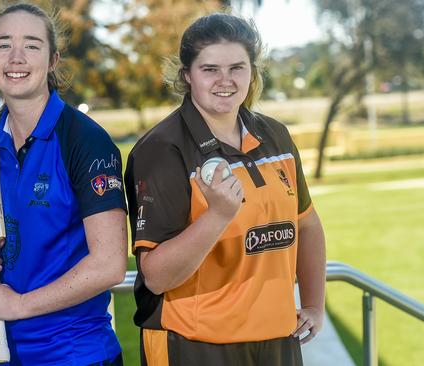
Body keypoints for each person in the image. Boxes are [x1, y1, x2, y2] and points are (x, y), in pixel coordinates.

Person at [124, 13, 326, 366]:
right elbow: (156, 277)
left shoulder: (275, 135)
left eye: (237, 68)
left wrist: (313, 303)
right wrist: (217, 216)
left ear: (252, 71)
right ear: (187, 75)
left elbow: (306, 224)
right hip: (193, 344)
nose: (225, 81)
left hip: (276, 339)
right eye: (210, 69)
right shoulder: (162, 150)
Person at [0, 3, 127, 365]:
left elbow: (109, 265)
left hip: (72, 352)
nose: (16, 57)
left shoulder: (84, 140)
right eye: (3, 45)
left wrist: (19, 305)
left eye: (31, 45)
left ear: (52, 61)